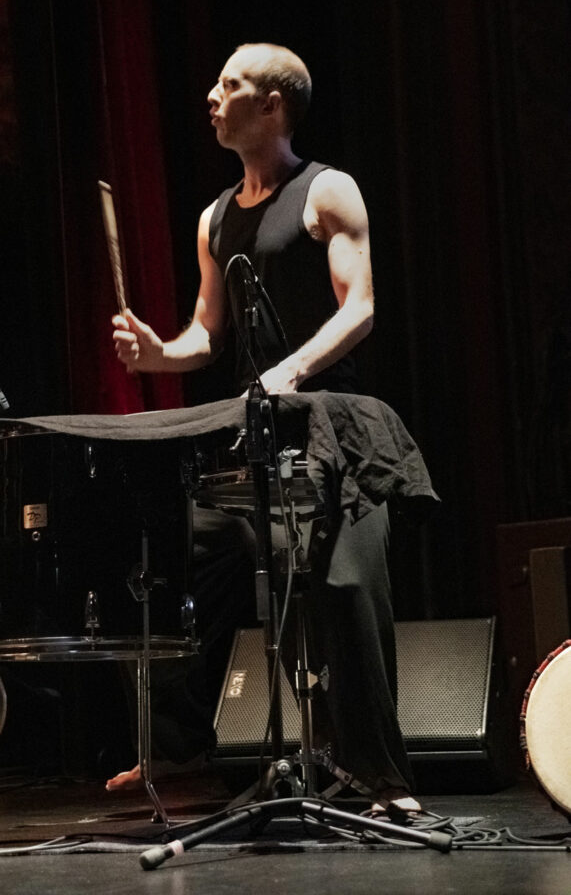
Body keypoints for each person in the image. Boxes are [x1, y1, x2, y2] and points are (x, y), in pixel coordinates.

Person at [109, 43, 420, 815]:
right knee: (192, 576)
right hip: (250, 428)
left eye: (230, 85)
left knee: (344, 592)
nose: (212, 97)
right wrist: (158, 353)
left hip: (329, 424)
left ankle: (379, 778)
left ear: (273, 105)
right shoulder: (214, 217)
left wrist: (291, 371)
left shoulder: (327, 192)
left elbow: (361, 308)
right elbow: (205, 336)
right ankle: (199, 758)